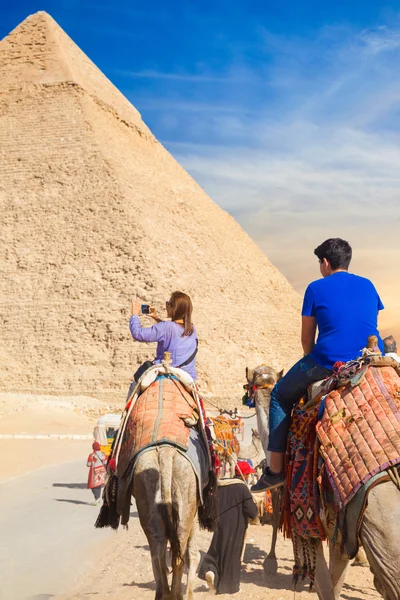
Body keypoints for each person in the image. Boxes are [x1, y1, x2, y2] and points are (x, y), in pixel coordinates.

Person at [252, 238, 384, 493]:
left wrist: (311, 364)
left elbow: (306, 340)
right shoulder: (368, 285)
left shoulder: (315, 288)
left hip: (329, 361)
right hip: (369, 358)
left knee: (279, 396)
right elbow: (367, 323)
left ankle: (275, 471)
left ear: (325, 262)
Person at [198, 461, 258, 594]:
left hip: (220, 525)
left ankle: (211, 570)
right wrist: (255, 506)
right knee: (231, 555)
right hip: (236, 528)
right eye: (248, 474)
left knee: (217, 550)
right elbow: (252, 512)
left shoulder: (222, 485)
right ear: (245, 475)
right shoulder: (242, 488)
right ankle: (229, 587)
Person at [129, 291, 198, 381]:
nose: (166, 307)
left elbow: (137, 334)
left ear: (175, 308)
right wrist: (157, 318)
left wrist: (135, 315)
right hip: (188, 378)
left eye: (168, 304)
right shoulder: (192, 328)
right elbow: (173, 332)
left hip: (166, 375)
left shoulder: (166, 327)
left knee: (133, 387)